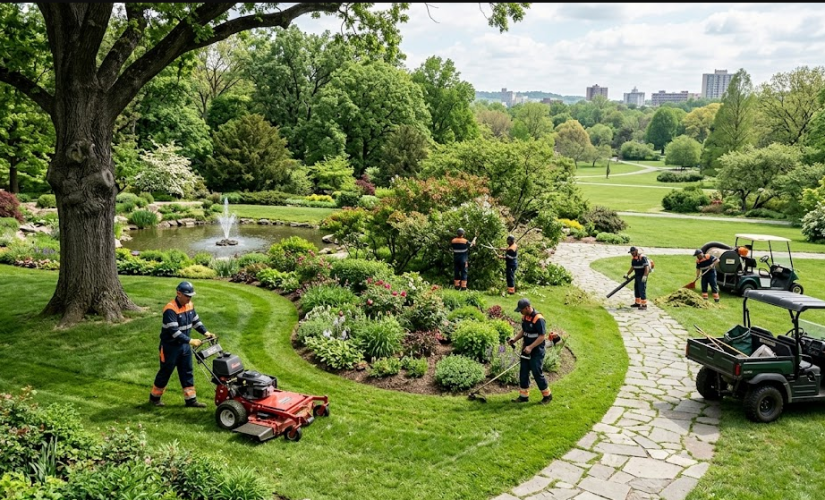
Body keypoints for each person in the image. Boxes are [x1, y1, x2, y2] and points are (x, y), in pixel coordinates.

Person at [149, 281, 215, 408]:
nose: (189, 298)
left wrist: (206, 332)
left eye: (191, 296)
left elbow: (196, 321)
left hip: (184, 347)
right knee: (165, 372)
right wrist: (191, 341)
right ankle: (154, 398)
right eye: (187, 296)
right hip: (170, 348)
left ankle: (191, 400)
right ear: (178, 294)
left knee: (187, 372)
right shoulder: (170, 309)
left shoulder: (189, 305)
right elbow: (174, 332)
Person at [508, 298, 553, 404]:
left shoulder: (539, 319)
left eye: (521, 310)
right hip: (526, 348)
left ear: (527, 307)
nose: (520, 312)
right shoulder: (525, 317)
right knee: (523, 372)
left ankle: (547, 396)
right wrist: (514, 339)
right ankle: (523, 397)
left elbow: (542, 337)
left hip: (536, 350)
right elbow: (524, 331)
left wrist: (531, 347)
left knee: (537, 372)